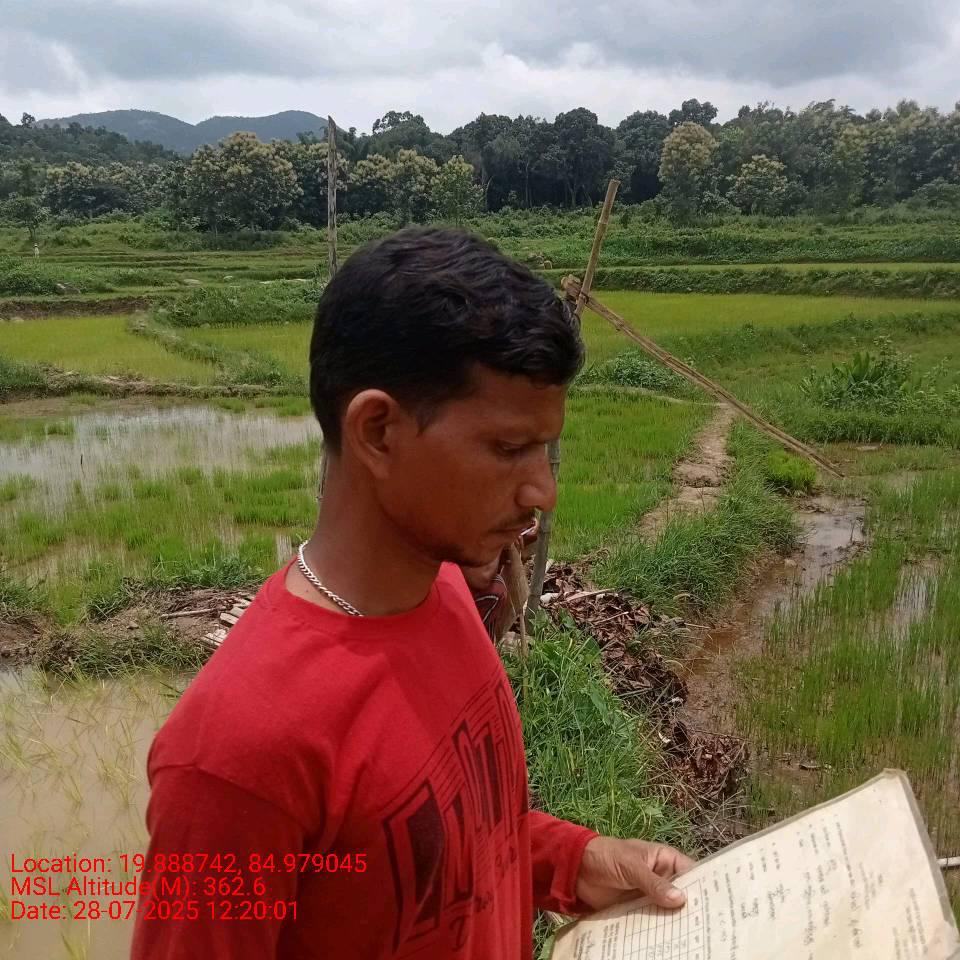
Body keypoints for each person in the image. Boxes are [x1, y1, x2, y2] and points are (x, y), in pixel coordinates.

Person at [131, 227, 693, 959]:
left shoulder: (449, 596)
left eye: (544, 450)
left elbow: (447, 844)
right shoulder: (237, 755)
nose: (542, 491)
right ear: (378, 431)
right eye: (508, 449)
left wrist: (574, 860)